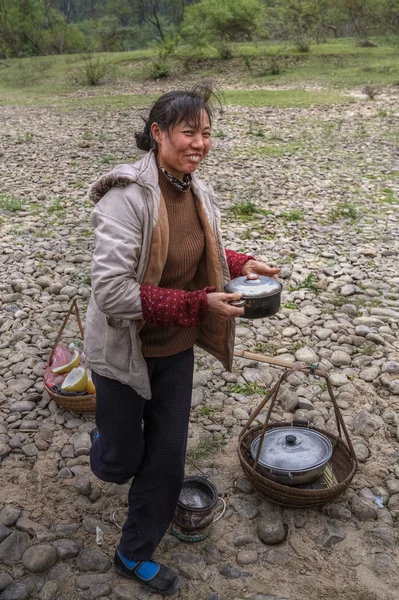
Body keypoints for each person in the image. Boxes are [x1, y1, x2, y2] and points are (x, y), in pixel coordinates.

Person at [84, 83, 280, 596]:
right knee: (120, 462)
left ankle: (133, 553)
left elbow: (202, 245)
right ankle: (106, 443)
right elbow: (111, 291)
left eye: (207, 134)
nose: (199, 143)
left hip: (174, 350)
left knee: (167, 457)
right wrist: (198, 304)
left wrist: (240, 264)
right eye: (189, 132)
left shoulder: (198, 190)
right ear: (158, 134)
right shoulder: (125, 196)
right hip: (124, 351)